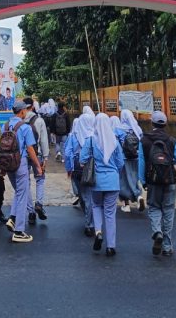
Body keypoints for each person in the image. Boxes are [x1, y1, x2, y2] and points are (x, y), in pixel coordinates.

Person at [140, 111, 176, 257]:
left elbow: (141, 162)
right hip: (169, 180)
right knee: (168, 210)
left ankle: (157, 232)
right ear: (165, 124)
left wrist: (143, 181)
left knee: (154, 207)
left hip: (152, 180)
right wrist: (173, 166)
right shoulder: (172, 140)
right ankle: (167, 246)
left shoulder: (144, 140)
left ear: (151, 122)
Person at [80, 112, 125, 256]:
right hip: (113, 181)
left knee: (96, 206)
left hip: (97, 181)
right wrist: (114, 173)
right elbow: (120, 163)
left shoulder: (91, 140)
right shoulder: (115, 141)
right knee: (110, 213)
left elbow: (82, 159)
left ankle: (98, 231)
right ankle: (111, 246)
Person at [4, 101, 44, 243]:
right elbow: (30, 149)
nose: (26, 112)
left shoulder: (6, 125)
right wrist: (38, 165)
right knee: (22, 195)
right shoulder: (25, 127)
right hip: (20, 164)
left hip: (7, 163)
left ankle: (12, 218)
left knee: (19, 192)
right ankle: (19, 231)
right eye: (25, 110)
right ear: (22, 111)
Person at [65, 109, 95, 235]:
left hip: (77, 168)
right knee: (90, 196)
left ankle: (88, 217)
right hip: (91, 168)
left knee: (83, 195)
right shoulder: (94, 136)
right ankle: (90, 223)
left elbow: (68, 153)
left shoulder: (73, 136)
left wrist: (69, 169)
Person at [22, 97, 49, 225]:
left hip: (23, 156)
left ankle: (31, 212)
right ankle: (39, 203)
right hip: (37, 155)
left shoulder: (19, 120)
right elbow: (43, 140)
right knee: (40, 179)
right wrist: (45, 157)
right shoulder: (39, 120)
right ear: (32, 106)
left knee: (25, 183)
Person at [116, 110, 146, 213]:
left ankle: (126, 204)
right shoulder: (138, 129)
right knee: (134, 178)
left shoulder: (119, 129)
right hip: (136, 157)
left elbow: (117, 146)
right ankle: (138, 196)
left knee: (124, 181)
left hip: (124, 158)